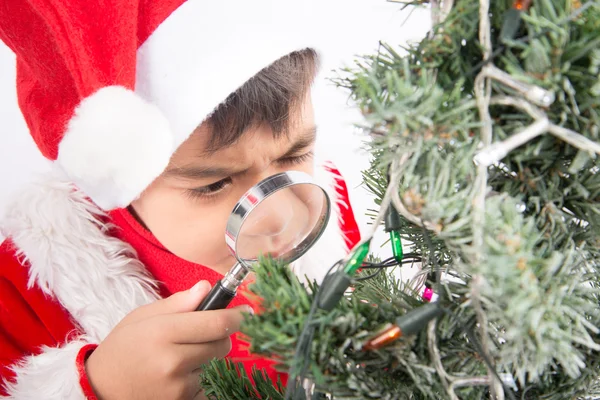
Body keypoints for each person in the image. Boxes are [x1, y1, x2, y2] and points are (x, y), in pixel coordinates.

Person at [0, 0, 361, 399]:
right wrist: (100, 388)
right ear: (121, 184)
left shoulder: (326, 202)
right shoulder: (19, 295)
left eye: (294, 155)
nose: (280, 215)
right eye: (214, 184)